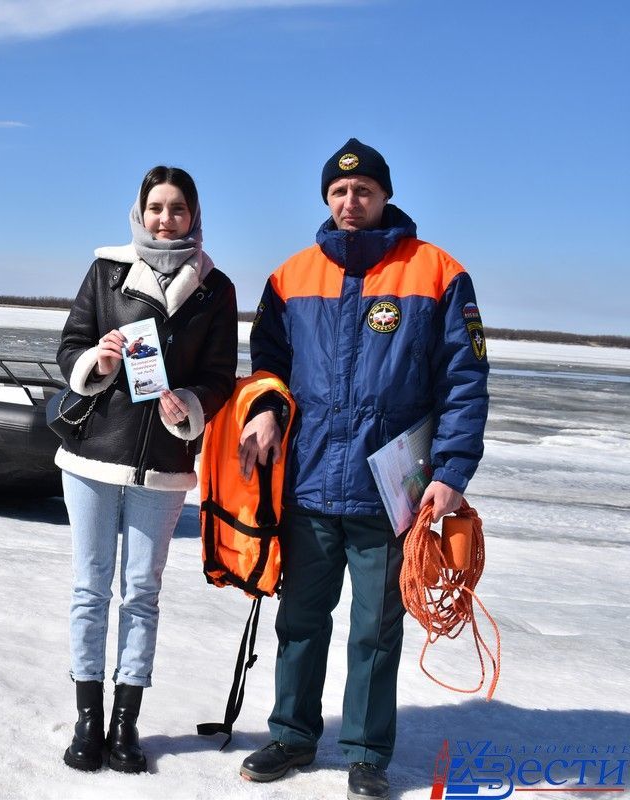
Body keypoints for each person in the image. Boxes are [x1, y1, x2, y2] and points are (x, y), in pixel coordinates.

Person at [236, 139, 489, 800]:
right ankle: (292, 734)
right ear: (327, 199)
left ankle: (367, 753)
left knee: (376, 630)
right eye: (340, 193)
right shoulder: (291, 276)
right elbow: (266, 364)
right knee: (301, 620)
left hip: (391, 490)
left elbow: (464, 383)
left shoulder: (436, 273)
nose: (352, 203)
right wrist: (263, 408)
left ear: (385, 195)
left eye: (364, 192)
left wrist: (453, 471)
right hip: (311, 482)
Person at [56, 165, 239, 773]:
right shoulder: (106, 271)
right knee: (90, 589)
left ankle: (125, 725)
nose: (166, 219)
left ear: (194, 216)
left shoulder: (216, 289)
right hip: (92, 458)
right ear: (140, 211)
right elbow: (67, 348)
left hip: (163, 466)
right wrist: (97, 361)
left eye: (178, 209)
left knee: (141, 593)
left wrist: (186, 404)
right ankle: (88, 720)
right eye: (156, 207)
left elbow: (217, 378)